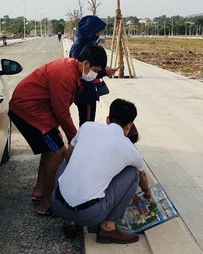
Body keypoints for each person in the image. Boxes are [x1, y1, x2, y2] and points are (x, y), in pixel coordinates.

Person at [9, 44, 107, 216]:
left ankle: (39, 192)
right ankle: (46, 204)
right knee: (58, 153)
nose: (95, 75)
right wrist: (76, 139)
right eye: (95, 70)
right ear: (85, 64)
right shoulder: (65, 75)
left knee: (50, 150)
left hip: (38, 110)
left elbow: (60, 108)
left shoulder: (73, 70)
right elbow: (61, 111)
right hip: (29, 111)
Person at [50, 98, 151, 244]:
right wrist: (147, 192)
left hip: (57, 205)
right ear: (129, 126)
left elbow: (70, 155)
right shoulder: (129, 148)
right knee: (132, 174)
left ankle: (69, 223)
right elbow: (142, 175)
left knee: (66, 164)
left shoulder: (87, 127)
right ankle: (108, 228)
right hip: (89, 215)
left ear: (108, 119)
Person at [70, 15, 117, 125]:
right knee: (87, 124)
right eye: (97, 33)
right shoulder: (79, 46)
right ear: (89, 31)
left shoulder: (86, 44)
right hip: (84, 92)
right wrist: (104, 72)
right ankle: (83, 141)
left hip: (87, 91)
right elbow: (83, 71)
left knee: (87, 121)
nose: (99, 36)